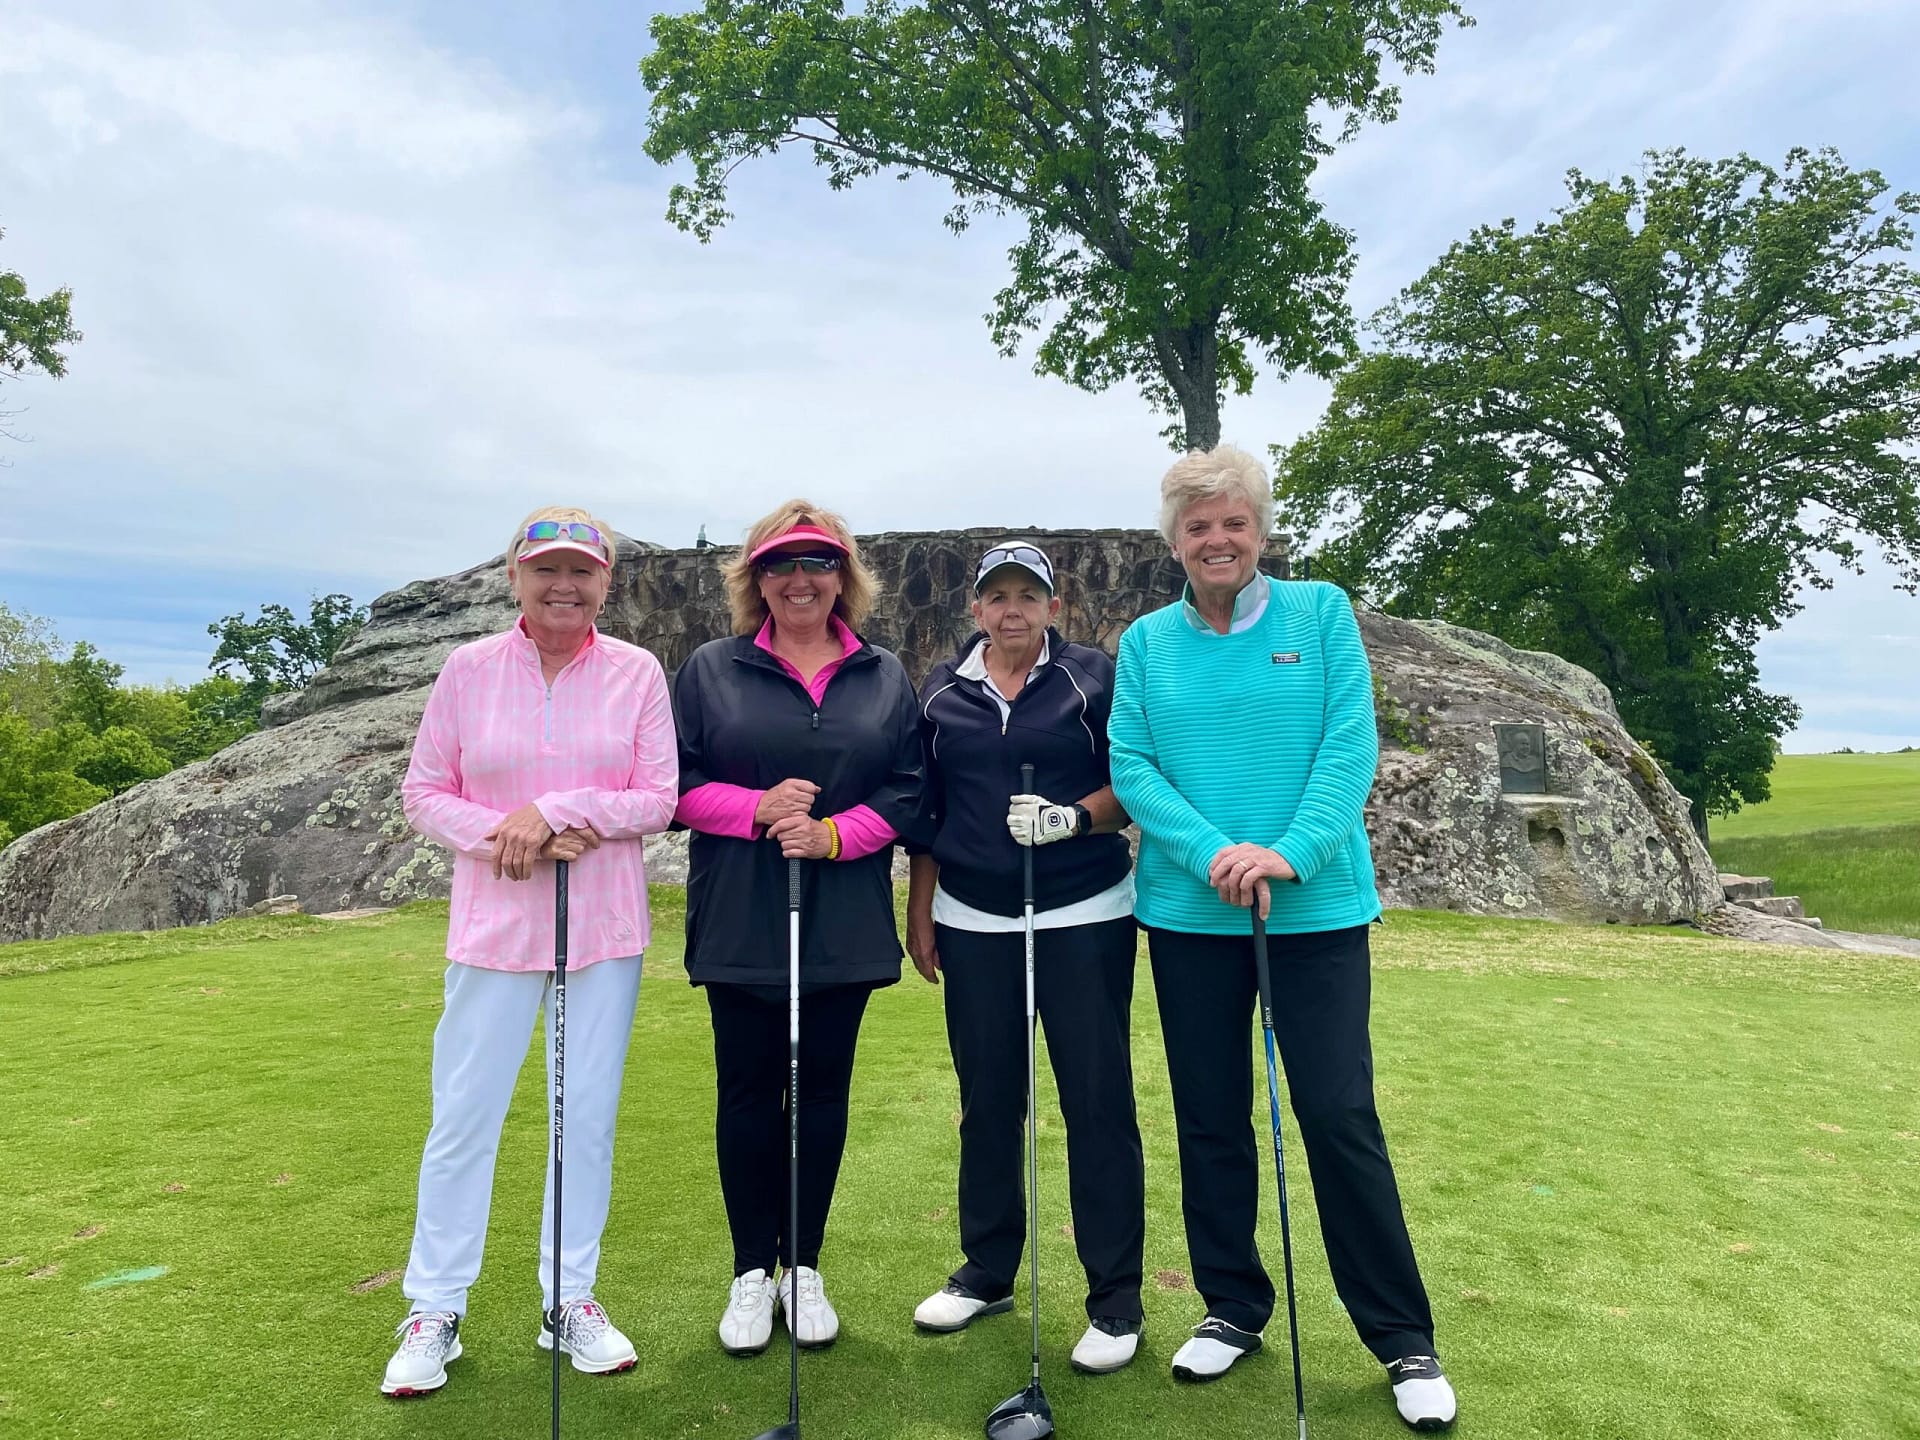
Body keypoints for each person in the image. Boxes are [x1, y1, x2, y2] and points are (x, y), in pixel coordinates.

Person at [1107, 447, 1457, 1432]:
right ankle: (1231, 1306)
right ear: (1175, 541)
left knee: (1338, 1113)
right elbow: (1132, 763)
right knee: (1210, 1115)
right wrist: (1216, 852)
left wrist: (1288, 853)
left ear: (1260, 531)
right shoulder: (1148, 642)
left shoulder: (1320, 614)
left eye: (1234, 522)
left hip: (1316, 911)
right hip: (1192, 914)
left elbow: (1349, 746)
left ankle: (1403, 1337)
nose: (1217, 540)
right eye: (1198, 526)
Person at [382, 507, 678, 1397]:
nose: (564, 586)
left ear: (605, 583)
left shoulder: (636, 671)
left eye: (582, 571)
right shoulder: (467, 669)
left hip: (602, 933)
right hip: (493, 930)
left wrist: (555, 810)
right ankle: (435, 1308)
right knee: (464, 1117)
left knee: (582, 1120)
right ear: (514, 576)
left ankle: (568, 1298)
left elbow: (657, 798)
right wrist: (506, 833)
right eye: (546, 568)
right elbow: (424, 793)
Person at [672, 500, 923, 1357]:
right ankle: (752, 1270)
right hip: (741, 914)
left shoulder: (884, 675)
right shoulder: (712, 669)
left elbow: (908, 788)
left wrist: (833, 835)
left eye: (818, 561)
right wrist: (755, 809)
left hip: (842, 917)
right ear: (756, 579)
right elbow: (673, 784)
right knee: (747, 1093)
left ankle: (803, 1265)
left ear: (844, 576)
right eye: (780, 563)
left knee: (821, 1094)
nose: (800, 578)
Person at [903, 541, 1148, 1374]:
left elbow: (1133, 783)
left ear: (1053, 606)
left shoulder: (1092, 679)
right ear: (976, 609)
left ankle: (1115, 1298)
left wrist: (1073, 817)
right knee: (987, 1099)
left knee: (1097, 1100)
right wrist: (922, 909)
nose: (1012, 610)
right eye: (998, 597)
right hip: (974, 917)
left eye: (1028, 596)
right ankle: (987, 1269)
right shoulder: (942, 692)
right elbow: (929, 811)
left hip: (1084, 911)